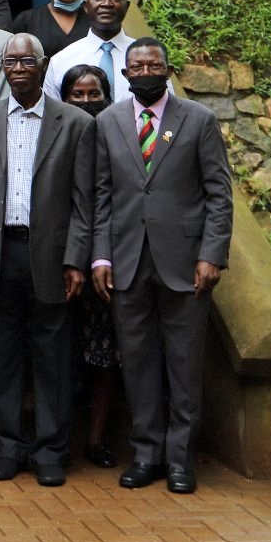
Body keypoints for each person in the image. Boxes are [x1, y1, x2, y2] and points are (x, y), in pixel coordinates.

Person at [93, 37, 232, 495]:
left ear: (168, 70)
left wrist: (211, 254)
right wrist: (101, 255)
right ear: (126, 74)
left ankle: (180, 460)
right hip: (128, 262)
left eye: (154, 64)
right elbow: (101, 195)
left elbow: (218, 194)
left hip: (185, 265)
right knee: (137, 364)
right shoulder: (110, 121)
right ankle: (147, 454)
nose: (146, 71)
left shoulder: (199, 120)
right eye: (137, 66)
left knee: (184, 365)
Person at [0, 34, 96, 487]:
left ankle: (51, 451)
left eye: (27, 61)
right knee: (1, 358)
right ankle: (8, 446)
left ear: (42, 67)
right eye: (11, 61)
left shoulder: (75, 122)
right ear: (2, 68)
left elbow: (84, 201)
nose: (19, 67)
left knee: (52, 357)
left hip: (53, 256)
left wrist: (76, 259)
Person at [58, 63, 121, 469]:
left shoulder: (119, 136)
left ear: (107, 96)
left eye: (92, 94)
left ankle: (96, 440)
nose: (85, 102)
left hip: (106, 260)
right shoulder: (58, 133)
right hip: (59, 259)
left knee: (103, 357)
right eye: (76, 95)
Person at [43, 0, 135, 103]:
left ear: (127, 6)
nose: (107, 4)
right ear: (86, 6)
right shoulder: (61, 61)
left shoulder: (147, 61)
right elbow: (53, 116)